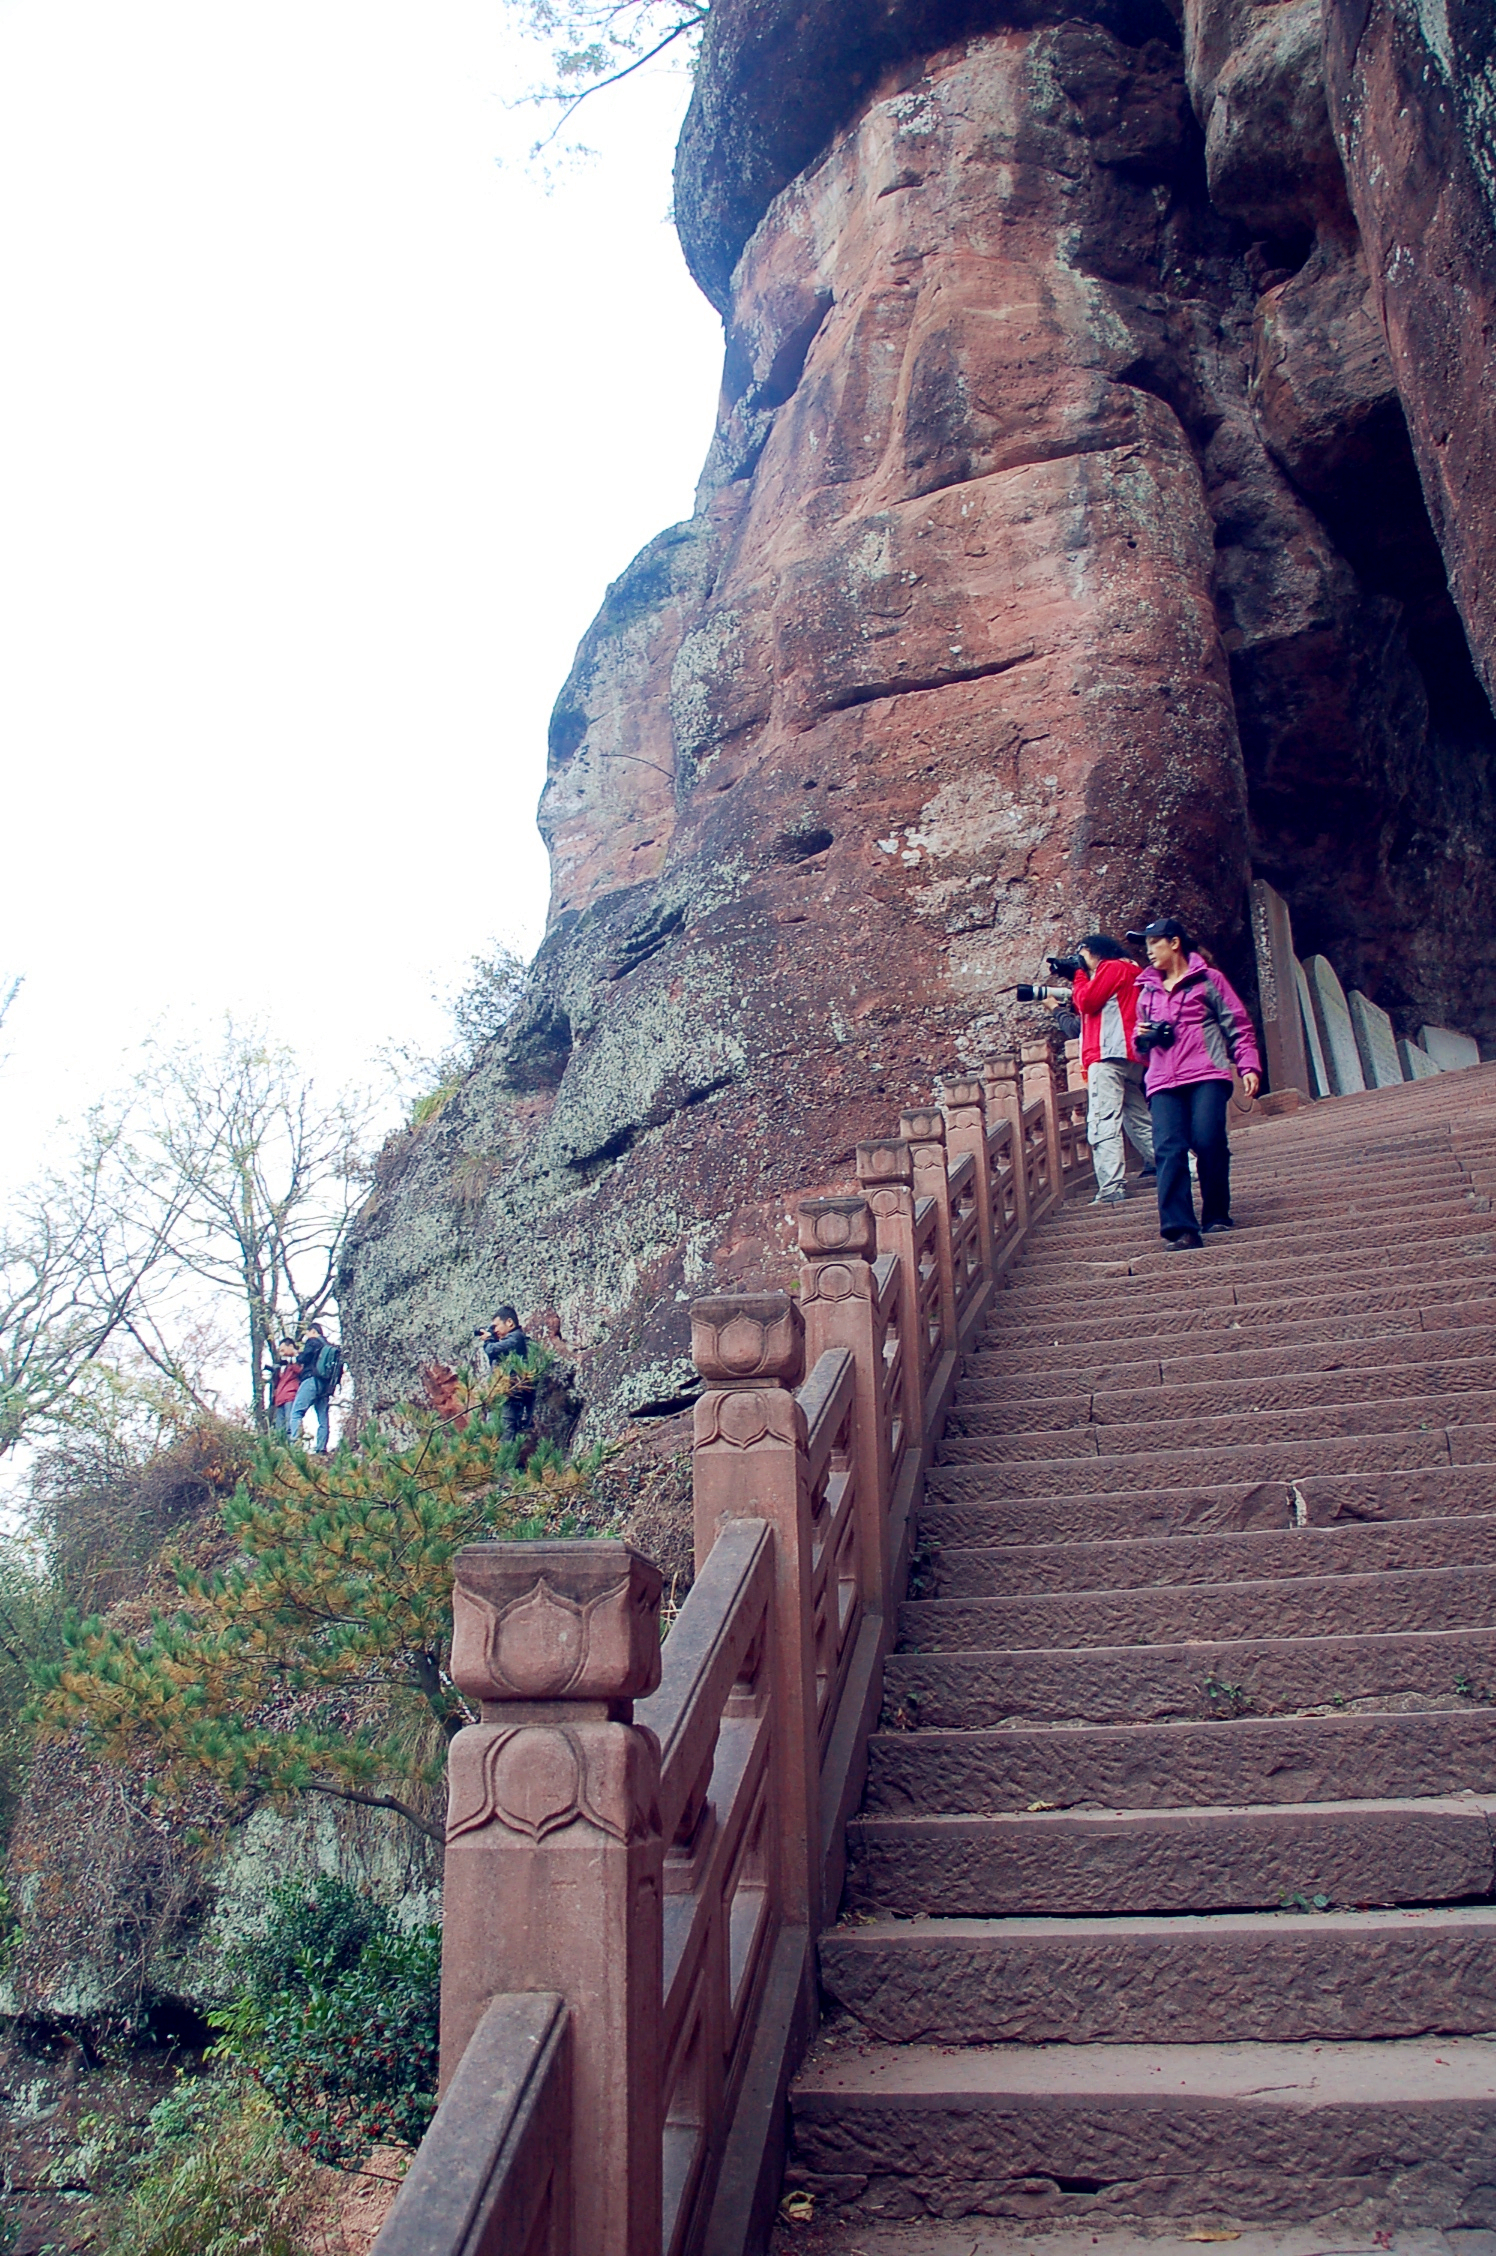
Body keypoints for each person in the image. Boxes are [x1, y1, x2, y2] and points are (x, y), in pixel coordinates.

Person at [1130, 917, 1261, 1248]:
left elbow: (1238, 1025)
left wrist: (1248, 1065)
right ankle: (1180, 1228)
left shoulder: (1209, 980)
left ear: (1174, 943)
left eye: (1153, 944)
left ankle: (1216, 1214)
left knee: (1207, 1140)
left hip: (1206, 1073)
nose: (1149, 953)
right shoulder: (1145, 991)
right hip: (1162, 1078)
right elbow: (1138, 1040)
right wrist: (1143, 1039)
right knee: (1168, 1149)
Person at [1071, 934, 1156, 1207]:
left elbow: (1087, 1002)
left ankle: (1111, 1187)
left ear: (1094, 951)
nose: (1081, 960)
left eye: (1082, 954)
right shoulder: (1133, 969)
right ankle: (1186, 1165)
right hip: (1132, 1055)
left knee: (1103, 1119)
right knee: (1138, 1119)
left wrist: (1078, 976)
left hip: (1108, 1053)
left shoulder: (1111, 967)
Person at [477, 1305, 535, 1443]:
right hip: (500, 1400)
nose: (495, 1331)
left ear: (509, 1322)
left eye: (496, 1326)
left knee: (502, 1445)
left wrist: (489, 1339)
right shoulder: (510, 1342)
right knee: (492, 1442)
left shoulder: (516, 1338)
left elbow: (491, 1350)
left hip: (509, 1400)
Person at [287, 1320, 342, 1453]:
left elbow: (303, 1359)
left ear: (313, 1331)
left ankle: (295, 1445)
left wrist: (296, 1355)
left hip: (311, 1380)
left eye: (307, 1333)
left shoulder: (312, 1342)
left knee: (296, 1412)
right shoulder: (329, 1347)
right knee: (323, 1418)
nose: (306, 1336)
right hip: (325, 1386)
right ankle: (321, 1449)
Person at [270, 1341, 302, 1436]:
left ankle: (293, 1447)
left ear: (291, 1346)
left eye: (283, 1350)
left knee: (290, 1424)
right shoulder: (283, 1365)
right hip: (280, 1398)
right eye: (280, 1351)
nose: (281, 1353)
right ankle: (282, 1448)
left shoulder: (299, 1359)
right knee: (279, 1429)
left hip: (290, 1396)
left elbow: (300, 1371)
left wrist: (292, 1361)